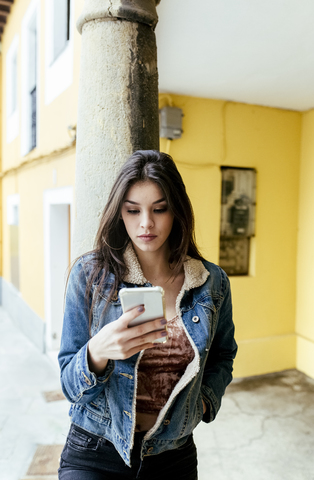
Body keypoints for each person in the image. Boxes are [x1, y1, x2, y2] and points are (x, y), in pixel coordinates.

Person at [58, 150, 237, 480]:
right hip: (96, 449)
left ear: (177, 211)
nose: (146, 223)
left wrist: (204, 403)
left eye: (159, 209)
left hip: (173, 454)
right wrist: (97, 353)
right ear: (119, 213)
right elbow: (70, 386)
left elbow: (224, 355)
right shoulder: (90, 276)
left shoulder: (212, 284)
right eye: (133, 210)